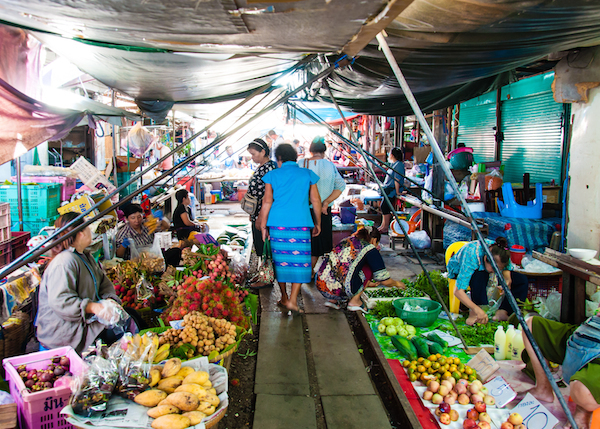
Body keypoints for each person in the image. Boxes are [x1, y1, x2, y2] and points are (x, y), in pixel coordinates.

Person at [36, 213, 129, 353]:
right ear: (80, 233)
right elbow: (61, 301)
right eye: (87, 228)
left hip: (83, 333)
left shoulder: (85, 256)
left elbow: (104, 284)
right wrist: (92, 307)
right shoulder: (64, 262)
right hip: (61, 342)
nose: (90, 232)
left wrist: (109, 301)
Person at [258, 143, 322, 313]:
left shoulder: (272, 175)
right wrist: (318, 223)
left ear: (279, 159)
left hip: (278, 225)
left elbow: (267, 201)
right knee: (299, 263)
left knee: (281, 262)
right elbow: (316, 201)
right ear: (295, 158)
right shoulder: (307, 174)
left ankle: (284, 297)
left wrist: (263, 226)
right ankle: (292, 300)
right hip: (301, 225)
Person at [521, 315, 600, 429]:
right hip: (586, 335)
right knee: (530, 325)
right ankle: (543, 389)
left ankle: (584, 410)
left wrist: (583, 409)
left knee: (582, 392)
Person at [315, 227, 404, 312]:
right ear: (374, 240)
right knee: (368, 268)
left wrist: (368, 283)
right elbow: (384, 280)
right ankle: (354, 302)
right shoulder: (370, 248)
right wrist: (397, 283)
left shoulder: (346, 240)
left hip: (321, 285)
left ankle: (332, 300)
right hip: (343, 289)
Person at [446, 237, 529, 325]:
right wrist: (476, 309)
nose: (496, 271)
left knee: (521, 280)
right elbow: (458, 291)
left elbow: (507, 268)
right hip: (461, 270)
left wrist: (507, 281)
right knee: (480, 274)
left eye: (499, 269)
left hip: (485, 268)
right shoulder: (471, 255)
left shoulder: (501, 251)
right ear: (486, 258)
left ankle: (504, 311)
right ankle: (475, 312)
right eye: (494, 269)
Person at [299, 136, 346, 269]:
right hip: (323, 211)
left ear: (311, 150)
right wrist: (326, 202)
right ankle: (310, 270)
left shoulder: (301, 163)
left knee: (303, 242)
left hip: (304, 210)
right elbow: (341, 186)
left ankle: (304, 271)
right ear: (324, 151)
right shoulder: (330, 165)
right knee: (317, 244)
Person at [246, 138, 277, 288]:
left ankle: (266, 278)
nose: (252, 157)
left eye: (253, 154)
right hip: (257, 213)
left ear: (263, 152)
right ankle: (263, 273)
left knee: (265, 246)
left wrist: (260, 217)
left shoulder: (269, 168)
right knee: (260, 245)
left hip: (263, 215)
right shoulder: (263, 166)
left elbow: (268, 196)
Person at [379, 148, 405, 234]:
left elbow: (397, 179)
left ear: (392, 155)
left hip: (392, 190)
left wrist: (397, 192)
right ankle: (383, 225)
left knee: (385, 207)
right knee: (383, 206)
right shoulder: (394, 164)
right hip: (388, 190)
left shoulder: (399, 165)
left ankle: (385, 227)